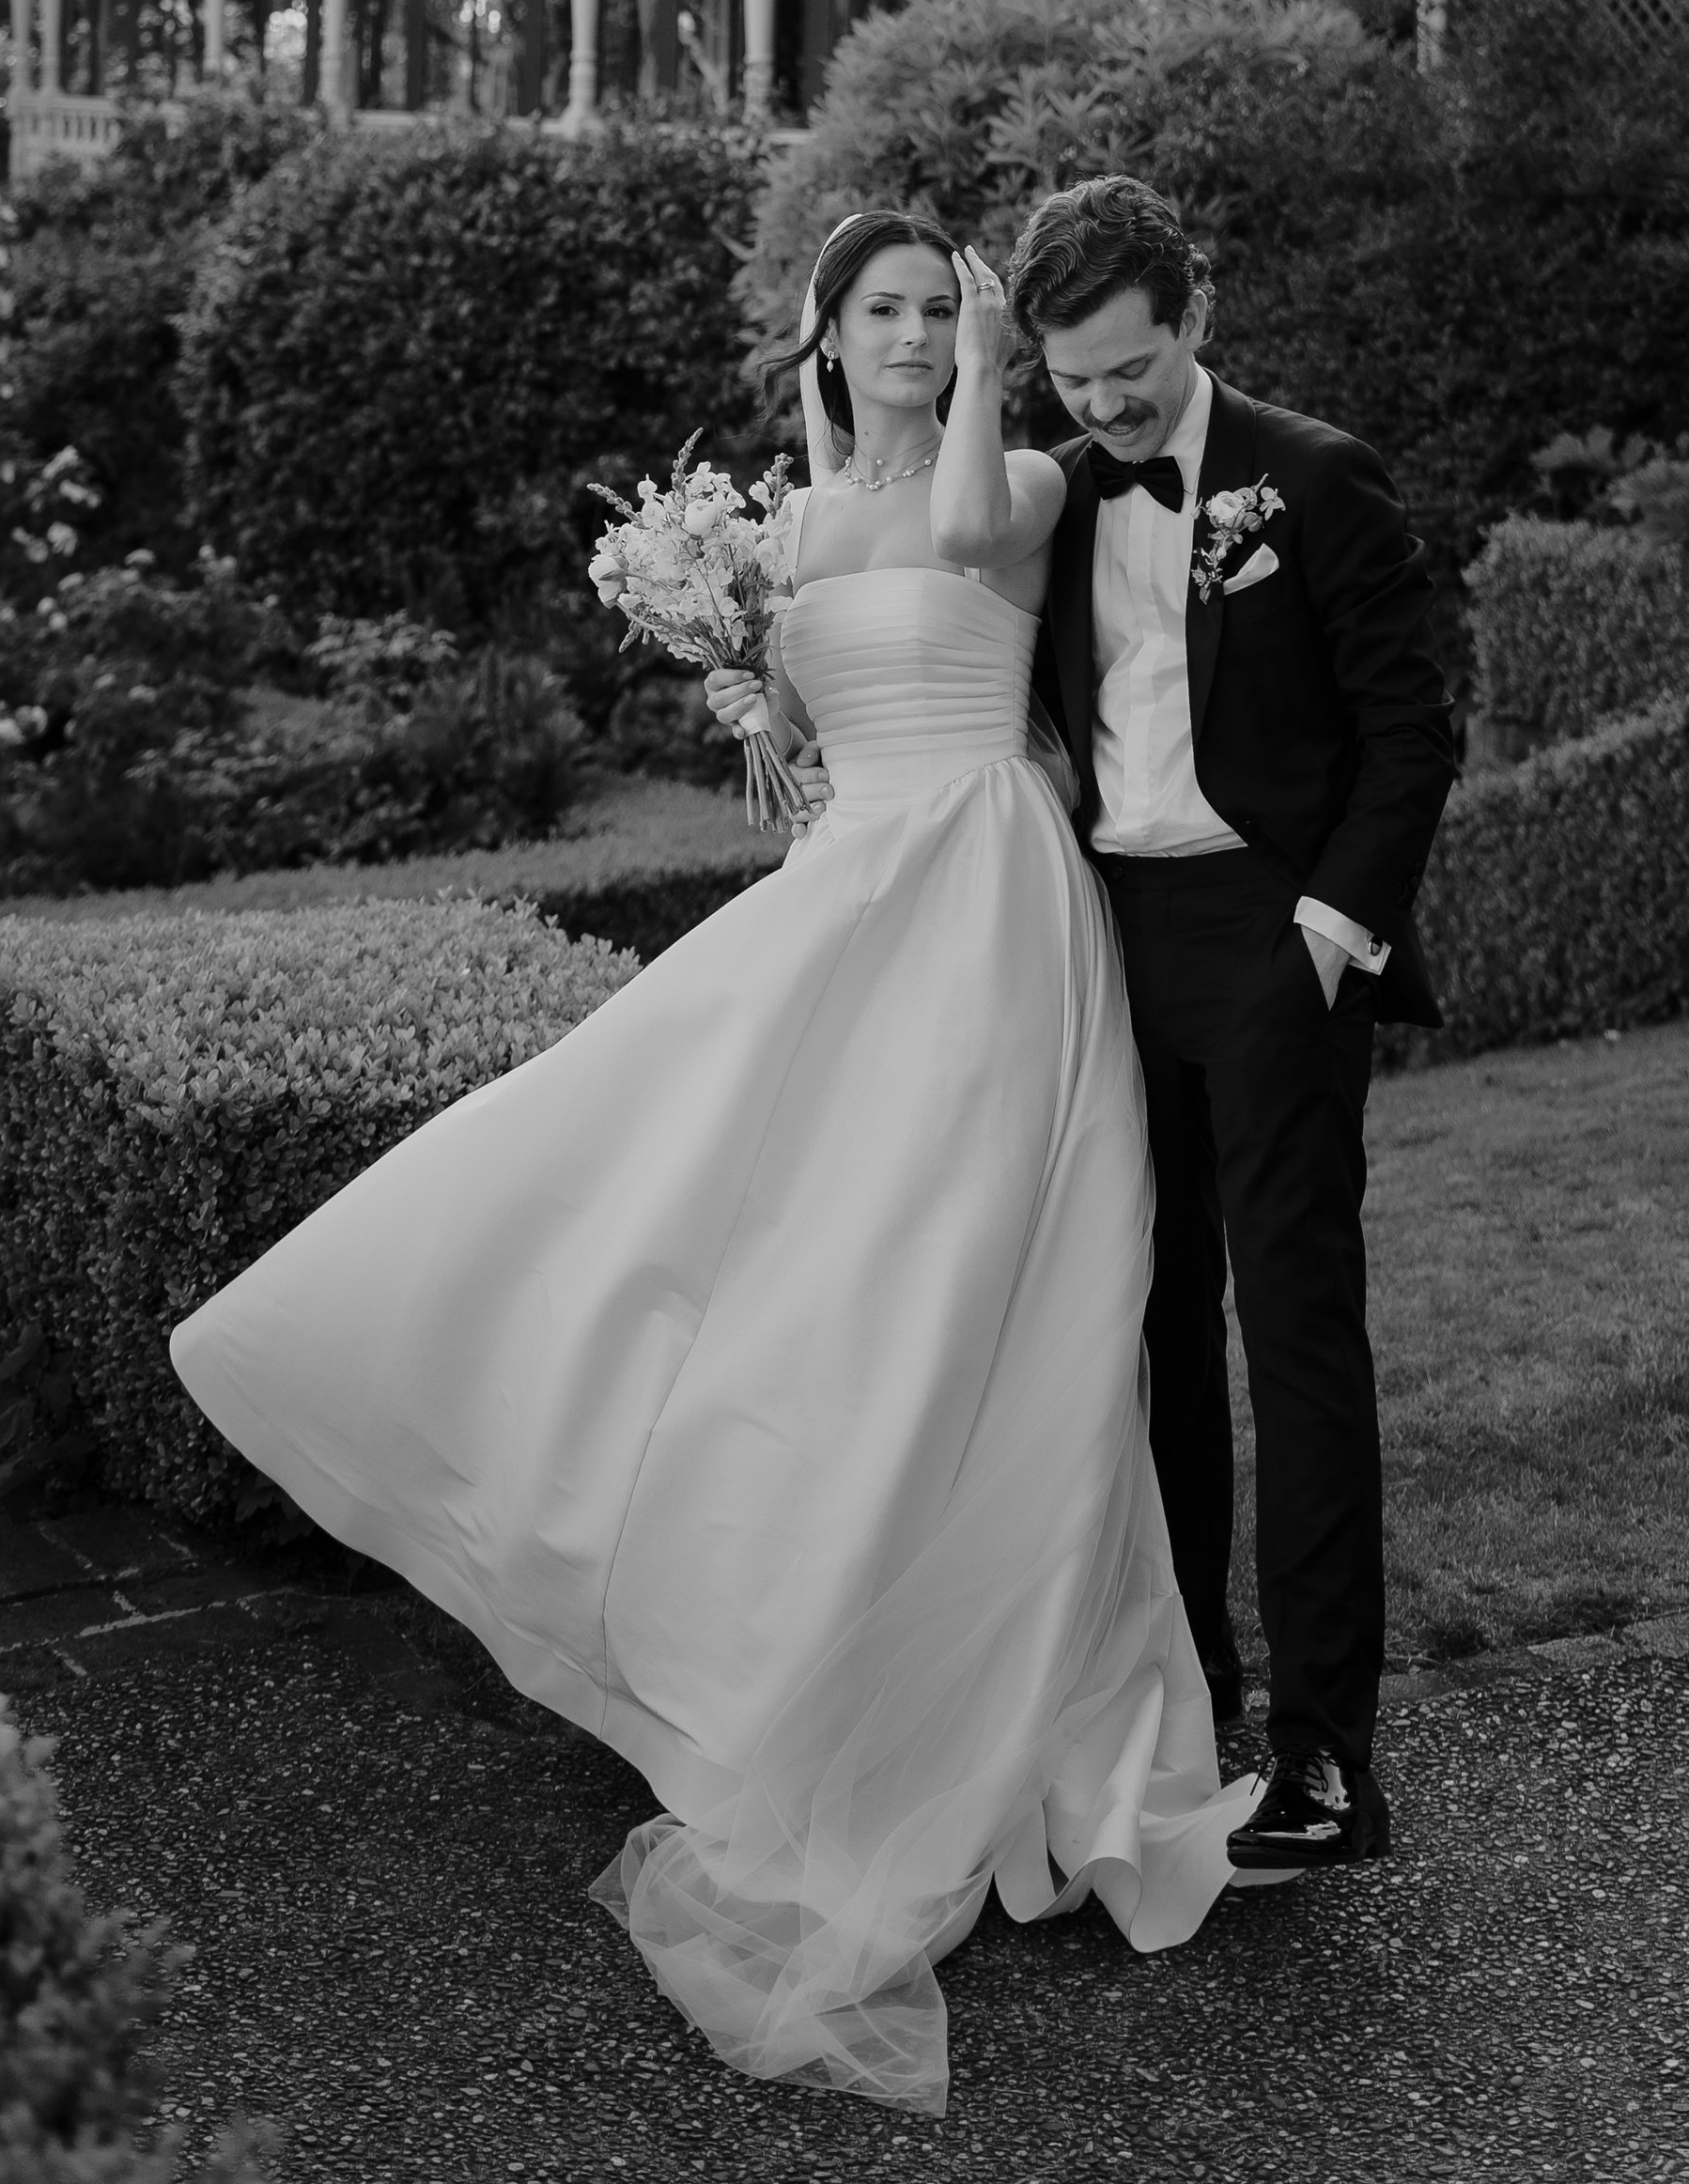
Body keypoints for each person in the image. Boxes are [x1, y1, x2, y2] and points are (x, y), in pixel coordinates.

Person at [169, 208, 1268, 2123]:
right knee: (738, 1233)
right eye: (888, 312)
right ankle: (784, 1644)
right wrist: (763, 708)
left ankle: (1014, 1719)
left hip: (992, 909)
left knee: (990, 1291)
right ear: (825, 334)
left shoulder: (1012, 472)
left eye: (941, 307)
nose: (920, 332)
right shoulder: (772, 529)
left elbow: (950, 560)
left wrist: (996, 360)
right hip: (852, 901)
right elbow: (812, 730)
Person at [1006, 175, 1458, 1874]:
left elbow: (1409, 734)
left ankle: (1330, 1756)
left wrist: (1327, 943)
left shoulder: (1317, 477)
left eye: (1130, 369)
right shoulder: (1045, 495)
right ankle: (1190, 1688)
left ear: (1191, 316)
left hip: (1275, 942)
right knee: (1147, 1329)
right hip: (1104, 941)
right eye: (1074, 379)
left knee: (1297, 1328)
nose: (1106, 406)